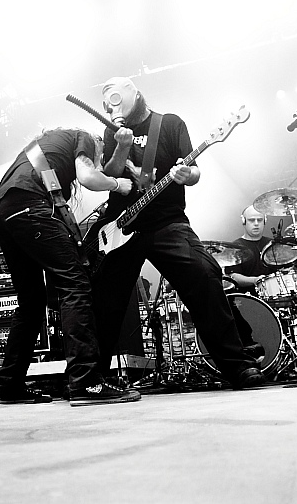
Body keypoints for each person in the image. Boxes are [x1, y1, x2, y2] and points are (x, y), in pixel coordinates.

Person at [90, 76, 265, 389]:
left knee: (204, 273)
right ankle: (93, 377)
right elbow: (110, 174)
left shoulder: (169, 124)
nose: (117, 109)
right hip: (121, 225)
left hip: (166, 222)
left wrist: (187, 174)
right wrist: (122, 145)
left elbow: (195, 172)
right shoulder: (111, 131)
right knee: (104, 298)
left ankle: (238, 366)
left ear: (137, 96)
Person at [0, 127, 142, 406]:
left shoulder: (40, 150)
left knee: (31, 302)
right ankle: (86, 383)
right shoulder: (83, 136)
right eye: (100, 158)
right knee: (75, 284)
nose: (98, 162)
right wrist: (118, 184)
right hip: (29, 204)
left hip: (3, 210)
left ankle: (9, 386)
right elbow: (87, 176)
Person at [227, 204, 297, 363]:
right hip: (253, 298)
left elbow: (287, 269)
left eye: (259, 220)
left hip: (281, 295)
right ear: (243, 221)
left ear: (265, 220)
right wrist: (256, 280)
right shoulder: (235, 247)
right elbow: (234, 277)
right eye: (252, 220)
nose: (256, 223)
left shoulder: (274, 245)